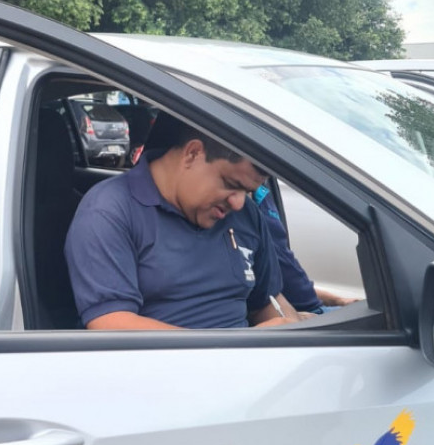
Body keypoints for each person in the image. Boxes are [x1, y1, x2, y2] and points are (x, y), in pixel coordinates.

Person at [64, 112, 300, 330]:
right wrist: (238, 349)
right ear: (193, 154)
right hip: (165, 362)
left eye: (247, 192)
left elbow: (268, 301)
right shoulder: (109, 210)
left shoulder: (245, 214)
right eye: (231, 184)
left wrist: (292, 330)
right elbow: (111, 325)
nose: (238, 203)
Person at [253, 185, 359, 314]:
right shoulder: (243, 211)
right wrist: (295, 318)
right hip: (298, 314)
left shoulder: (263, 195)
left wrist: (338, 300)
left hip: (311, 307)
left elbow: (289, 275)